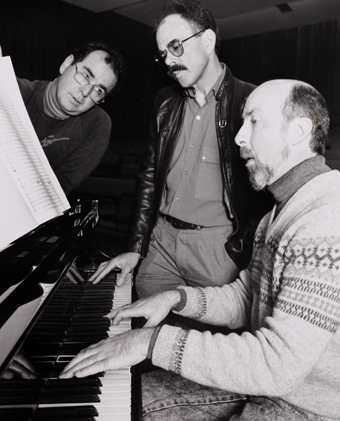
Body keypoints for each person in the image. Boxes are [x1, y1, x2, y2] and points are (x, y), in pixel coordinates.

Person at [60, 79, 340, 420]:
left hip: (305, 405)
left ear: (298, 131)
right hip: (265, 388)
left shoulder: (325, 221)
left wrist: (149, 342)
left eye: (254, 121)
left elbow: (278, 363)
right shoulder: (277, 214)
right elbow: (246, 298)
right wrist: (177, 298)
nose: (238, 137)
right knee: (131, 403)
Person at [90, 0, 273, 298]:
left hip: (219, 253)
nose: (169, 62)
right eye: (163, 54)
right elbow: (148, 178)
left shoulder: (252, 101)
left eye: (175, 47)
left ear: (208, 40)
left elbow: (265, 194)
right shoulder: (165, 101)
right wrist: (136, 247)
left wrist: (246, 255)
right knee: (143, 338)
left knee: (209, 344)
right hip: (160, 247)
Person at [16, 41, 124, 195]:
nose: (86, 92)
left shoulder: (96, 124)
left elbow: (56, 192)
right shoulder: (13, 90)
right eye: (86, 75)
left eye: (99, 90)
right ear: (66, 65)